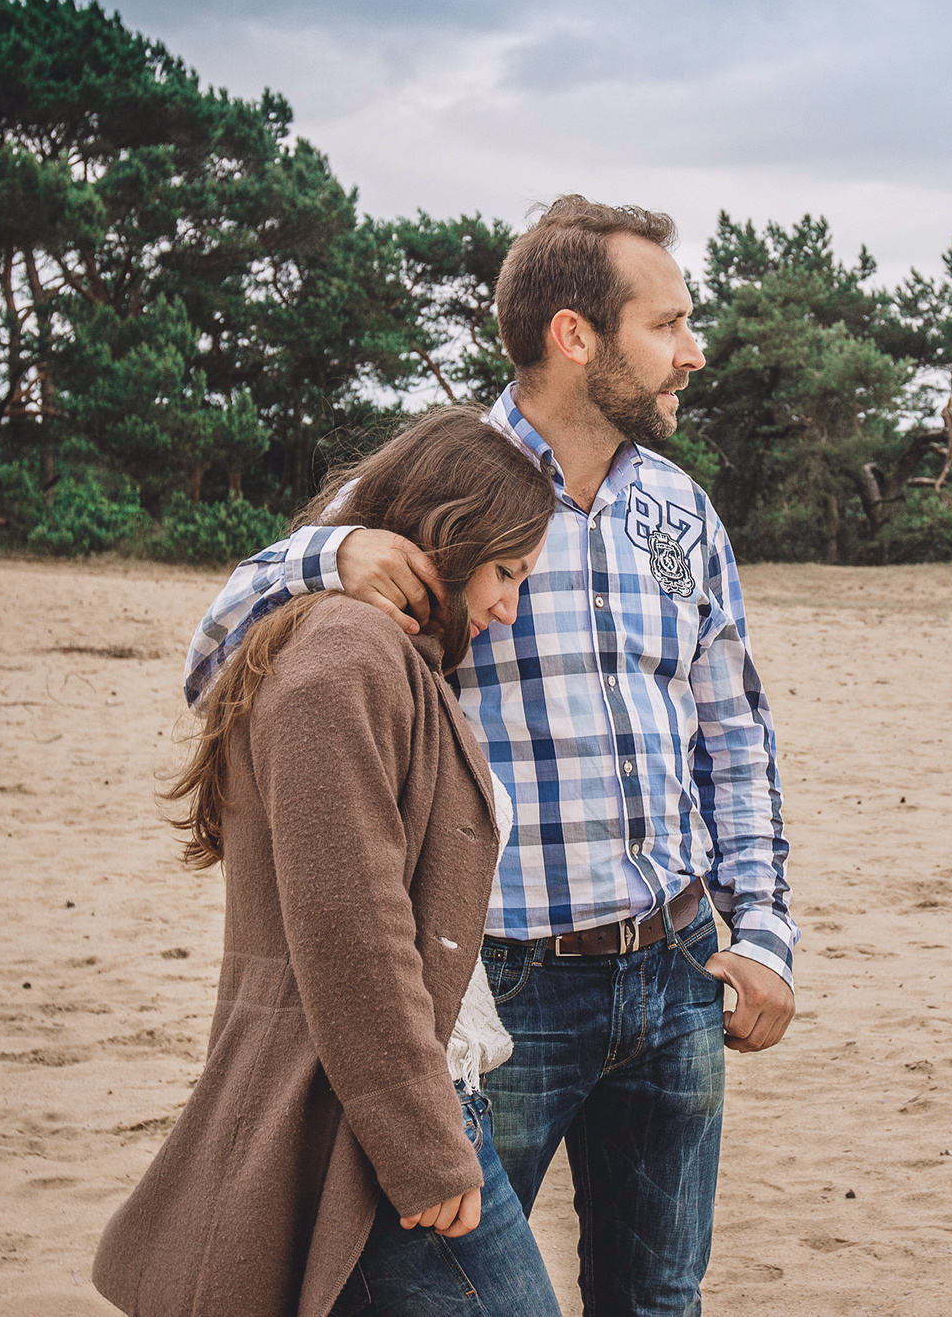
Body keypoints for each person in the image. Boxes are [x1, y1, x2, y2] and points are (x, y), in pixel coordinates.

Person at [182, 196, 798, 1315]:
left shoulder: (681, 511)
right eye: (667, 325)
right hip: (497, 983)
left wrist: (760, 932)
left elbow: (734, 735)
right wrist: (329, 552)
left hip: (674, 970)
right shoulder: (428, 486)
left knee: (659, 1298)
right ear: (577, 336)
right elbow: (215, 663)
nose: (691, 353)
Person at [93, 407, 564, 1317]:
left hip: (385, 1100)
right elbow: (354, 930)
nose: (508, 605)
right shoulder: (345, 657)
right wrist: (424, 1146)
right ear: (446, 539)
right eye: (505, 573)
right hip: (369, 1117)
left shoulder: (382, 654)